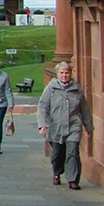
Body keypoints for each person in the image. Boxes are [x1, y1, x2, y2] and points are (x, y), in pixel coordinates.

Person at [37, 61, 93, 189]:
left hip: (74, 125)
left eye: (67, 72)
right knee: (57, 153)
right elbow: (42, 106)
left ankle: (73, 179)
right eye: (61, 73)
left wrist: (88, 126)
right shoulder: (51, 88)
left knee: (73, 151)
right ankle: (57, 173)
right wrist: (43, 125)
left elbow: (84, 108)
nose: (64, 75)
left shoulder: (77, 89)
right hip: (56, 126)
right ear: (57, 74)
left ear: (70, 73)